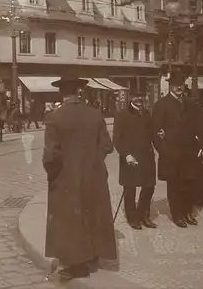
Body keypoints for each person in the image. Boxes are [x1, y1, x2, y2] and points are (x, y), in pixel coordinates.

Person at [43, 75, 116, 279]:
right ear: (79, 92)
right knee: (92, 212)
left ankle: (76, 265)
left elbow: (50, 155)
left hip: (66, 177)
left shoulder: (54, 117)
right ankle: (92, 254)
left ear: (62, 93)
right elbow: (107, 146)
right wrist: (92, 161)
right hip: (94, 175)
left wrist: (54, 175)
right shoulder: (95, 114)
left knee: (70, 218)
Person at [151, 71, 202, 228]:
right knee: (174, 186)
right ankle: (177, 215)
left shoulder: (189, 104)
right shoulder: (162, 105)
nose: (179, 87)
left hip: (189, 153)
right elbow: (155, 131)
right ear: (170, 86)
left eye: (181, 84)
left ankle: (188, 213)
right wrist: (164, 151)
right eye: (175, 85)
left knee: (189, 185)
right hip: (171, 154)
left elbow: (196, 127)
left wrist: (199, 147)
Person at [113, 90, 157, 230]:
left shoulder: (146, 113)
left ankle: (144, 214)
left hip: (146, 156)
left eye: (141, 96)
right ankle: (132, 218)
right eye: (136, 96)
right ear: (130, 97)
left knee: (149, 186)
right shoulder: (122, 115)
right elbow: (117, 139)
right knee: (130, 188)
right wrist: (126, 154)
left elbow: (151, 134)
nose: (139, 99)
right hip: (130, 157)